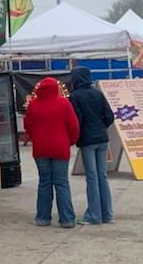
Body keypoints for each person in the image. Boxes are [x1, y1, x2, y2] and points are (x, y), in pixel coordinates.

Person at [24, 76, 79, 228]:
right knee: (62, 183)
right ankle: (67, 219)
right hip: (60, 148)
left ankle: (43, 218)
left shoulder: (33, 105)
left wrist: (35, 138)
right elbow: (73, 126)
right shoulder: (64, 103)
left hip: (41, 149)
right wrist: (69, 142)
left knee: (44, 183)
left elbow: (27, 126)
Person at [69, 67, 116, 225]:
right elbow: (110, 115)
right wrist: (101, 127)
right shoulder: (98, 94)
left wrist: (78, 135)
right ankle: (107, 214)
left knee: (92, 178)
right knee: (102, 176)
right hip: (102, 137)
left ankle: (94, 215)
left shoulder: (75, 96)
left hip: (87, 140)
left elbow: (77, 120)